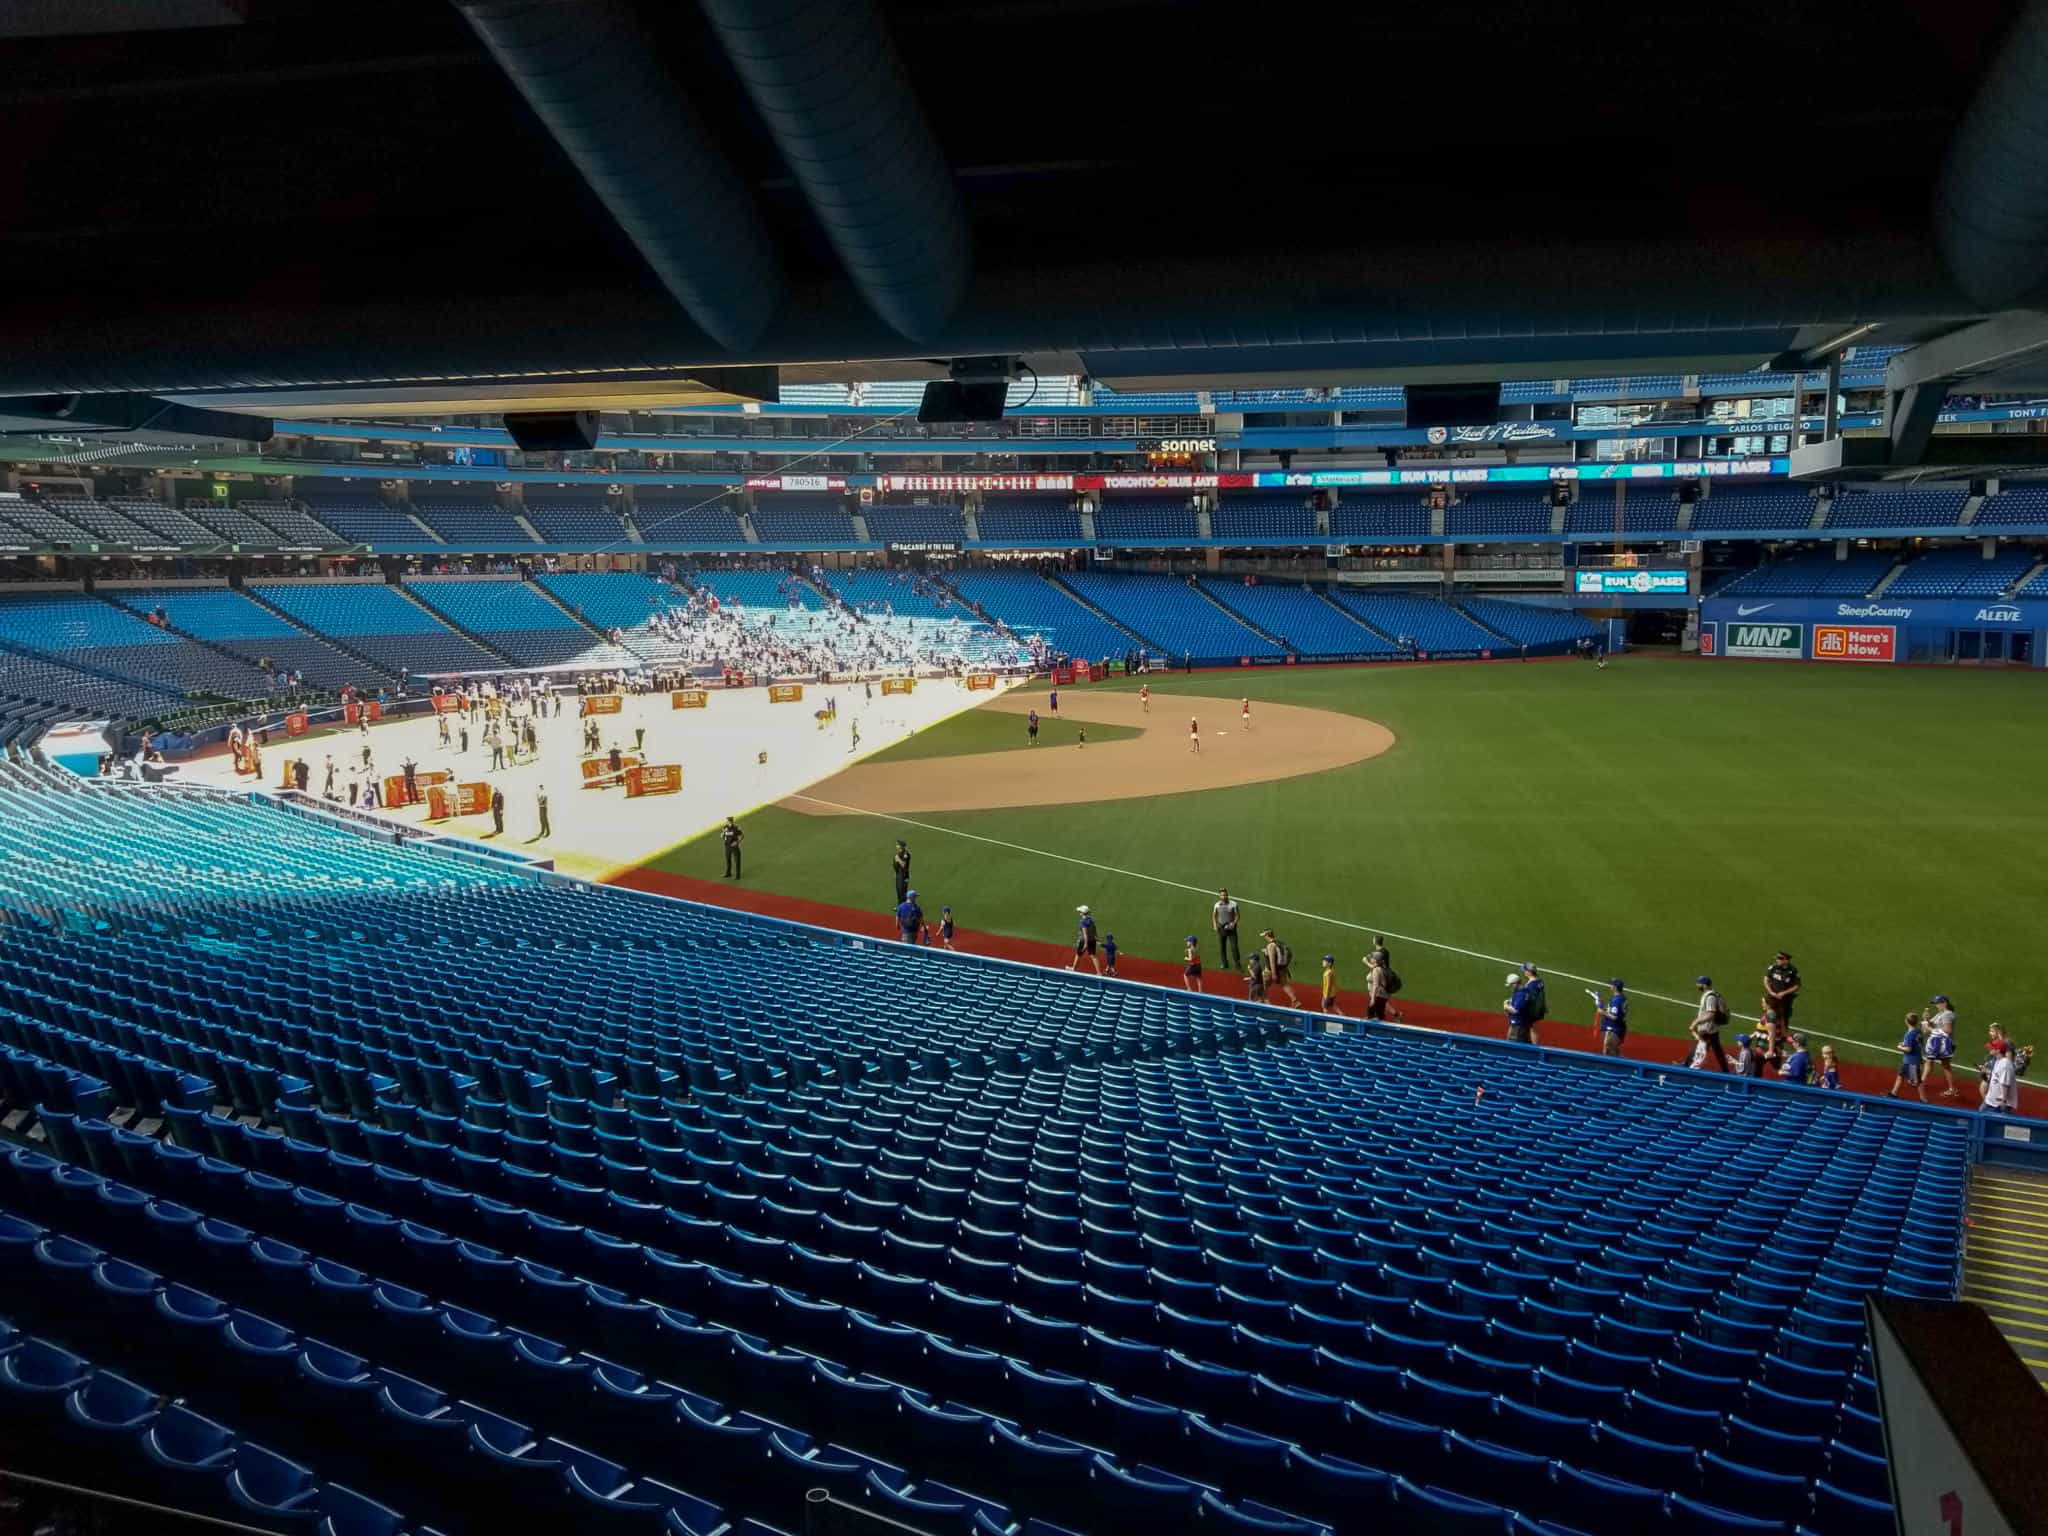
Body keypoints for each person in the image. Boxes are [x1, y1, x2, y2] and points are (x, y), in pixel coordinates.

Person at [1687, 976, 1729, 1071]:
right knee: (1717, 1049)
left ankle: (1687, 1065)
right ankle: (1725, 1070)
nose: (1697, 985)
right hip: (1711, 1028)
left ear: (1704, 985)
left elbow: (1711, 1014)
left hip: (1707, 1028)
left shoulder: (1710, 997)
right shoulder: (1711, 994)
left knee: (1698, 1046)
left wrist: (1696, 1022)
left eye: (1699, 983)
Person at [1924, 994, 1959, 1099]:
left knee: (1944, 1065)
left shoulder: (1947, 1014)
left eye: (1937, 1003)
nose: (1936, 1005)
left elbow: (1948, 1030)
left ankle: (1952, 1089)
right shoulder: (1940, 1013)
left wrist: (1930, 1029)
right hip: (1938, 1043)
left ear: (1944, 1003)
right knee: (1930, 1061)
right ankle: (1922, 1081)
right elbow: (1932, 1024)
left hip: (1945, 1044)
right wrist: (1927, 1019)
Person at [1506, 962, 1546, 1045]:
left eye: (1525, 970)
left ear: (1529, 972)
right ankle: (1533, 1046)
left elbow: (1528, 998)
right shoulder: (1539, 981)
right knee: (1532, 1028)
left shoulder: (1530, 986)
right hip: (1538, 1008)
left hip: (1532, 1010)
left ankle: (1534, 1047)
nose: (1523, 972)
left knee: (1530, 1028)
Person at [1891, 1012, 1928, 1101]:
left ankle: (1923, 1099)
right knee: (1900, 1075)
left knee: (1917, 1082)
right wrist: (1904, 1043)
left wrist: (1900, 1047)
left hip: (1911, 1062)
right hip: (1913, 1060)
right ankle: (1893, 1093)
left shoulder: (1909, 1034)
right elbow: (1916, 1044)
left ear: (1907, 1022)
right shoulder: (1917, 1032)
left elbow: (1908, 1049)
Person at [1261, 930, 1300, 1007]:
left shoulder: (1270, 946)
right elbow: (1288, 954)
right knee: (1284, 984)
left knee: (1263, 984)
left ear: (1267, 936)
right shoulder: (1280, 943)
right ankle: (1295, 1000)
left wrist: (1273, 973)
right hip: (1282, 969)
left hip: (1270, 970)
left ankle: (1265, 1000)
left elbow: (1272, 960)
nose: (1264, 937)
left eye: (1264, 936)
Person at [1763, 950, 1802, 1026]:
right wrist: (1770, 992)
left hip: (1785, 999)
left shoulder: (1793, 971)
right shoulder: (1773, 967)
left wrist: (1783, 993)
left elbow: (1797, 986)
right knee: (1769, 1014)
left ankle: (1782, 1034)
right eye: (1777, 958)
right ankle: (1768, 1030)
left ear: (1786, 960)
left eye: (1780, 958)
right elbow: (1766, 979)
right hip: (1772, 996)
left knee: (1783, 1017)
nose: (1777, 960)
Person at [1983, 1037, 2019, 1114]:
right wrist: (1986, 1072)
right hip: (1991, 1103)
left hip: (1998, 1106)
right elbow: (1996, 1077)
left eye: (1992, 1048)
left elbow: (2005, 1083)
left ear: (1998, 1050)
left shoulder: (2005, 1064)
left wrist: (2004, 1101)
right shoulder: (1998, 1061)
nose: (1990, 1049)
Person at [1597, 978, 1628, 1056]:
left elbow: (1614, 1017)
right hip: (1618, 1028)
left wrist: (1601, 1011)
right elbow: (1612, 1011)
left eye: (1611, 984)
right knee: (1613, 1050)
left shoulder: (1616, 1000)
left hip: (1614, 1030)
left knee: (1608, 1051)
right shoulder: (1622, 998)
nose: (1610, 986)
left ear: (1615, 987)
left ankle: (1622, 1066)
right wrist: (1600, 1003)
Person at [1068, 905, 1102, 975]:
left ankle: (1073, 968)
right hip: (1092, 940)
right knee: (1093, 955)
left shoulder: (1082, 922)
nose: (1079, 912)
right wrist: (1096, 938)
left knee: (1078, 954)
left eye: (1080, 911)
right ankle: (1099, 973)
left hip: (1084, 941)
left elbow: (1085, 934)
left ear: (1082, 913)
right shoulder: (1091, 920)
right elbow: (1094, 929)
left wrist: (1086, 944)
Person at [1213, 888, 1242, 969]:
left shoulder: (1233, 904)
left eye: (1225, 895)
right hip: (1221, 928)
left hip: (1231, 928)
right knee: (1222, 947)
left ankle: (1237, 963)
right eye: (1222, 895)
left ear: (1227, 895)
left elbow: (1237, 915)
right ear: (1219, 896)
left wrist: (1234, 923)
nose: (1224, 896)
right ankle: (1224, 963)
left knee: (1234, 947)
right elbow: (1214, 915)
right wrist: (1215, 925)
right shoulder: (1217, 905)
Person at [1364, 952, 1392, 1021]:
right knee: (1380, 1015)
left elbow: (1375, 985)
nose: (1371, 958)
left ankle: (1372, 1031)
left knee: (1370, 1016)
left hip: (1378, 996)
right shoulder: (1383, 967)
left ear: (1375, 960)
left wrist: (1373, 998)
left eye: (1372, 957)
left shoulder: (1376, 970)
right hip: (1384, 996)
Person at [892, 839, 912, 905]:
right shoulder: (899, 852)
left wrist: (898, 859)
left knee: (902, 892)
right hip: (898, 874)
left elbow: (904, 865)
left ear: (901, 846)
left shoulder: (906, 854)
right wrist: (895, 872)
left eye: (898, 844)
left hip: (903, 875)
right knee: (898, 891)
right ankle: (899, 906)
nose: (896, 846)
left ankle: (904, 907)